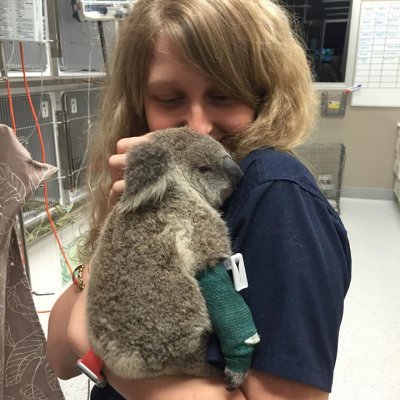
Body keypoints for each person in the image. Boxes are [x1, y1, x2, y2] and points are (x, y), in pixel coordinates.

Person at [46, 0, 351, 399]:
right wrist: (115, 230)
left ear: (263, 95)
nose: (200, 126)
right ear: (138, 102)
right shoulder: (153, 190)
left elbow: (77, 343)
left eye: (223, 95)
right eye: (169, 99)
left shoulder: (276, 193)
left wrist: (95, 344)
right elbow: (59, 359)